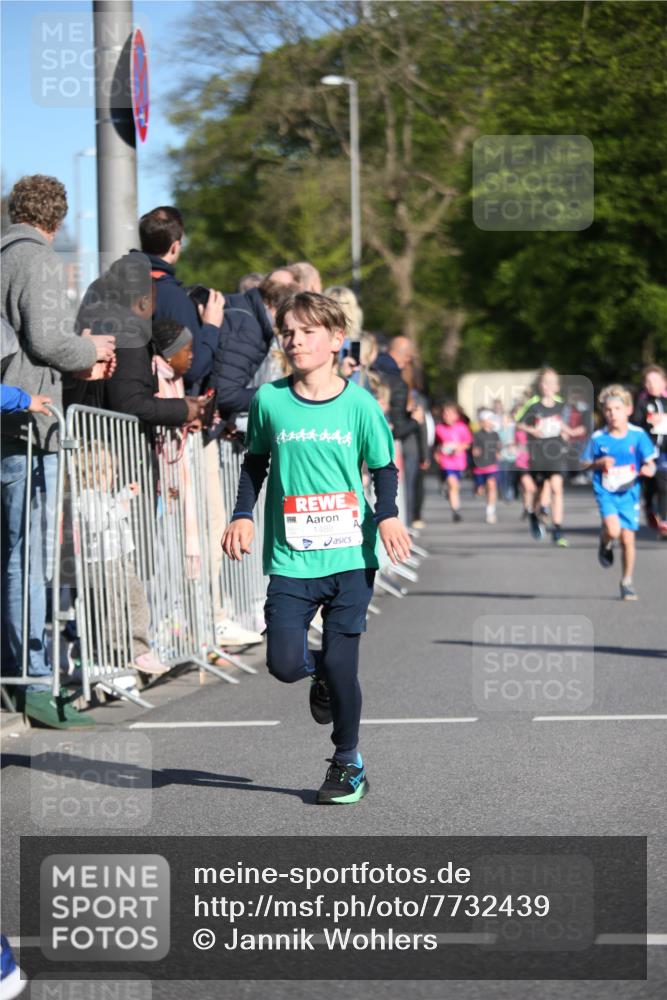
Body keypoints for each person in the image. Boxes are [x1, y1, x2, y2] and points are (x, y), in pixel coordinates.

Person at [221, 292, 411, 804]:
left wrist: (388, 515)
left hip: (350, 556)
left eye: (307, 332)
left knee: (344, 664)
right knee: (284, 662)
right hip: (292, 557)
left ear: (335, 339)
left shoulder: (359, 404)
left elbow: (384, 468)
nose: (295, 341)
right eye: (288, 332)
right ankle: (318, 675)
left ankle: (348, 763)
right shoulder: (270, 400)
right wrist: (242, 514)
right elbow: (255, 463)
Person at [1, 174, 115, 727]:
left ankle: (19, 674)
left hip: (12, 419)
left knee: (14, 553)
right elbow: (46, 339)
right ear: (57, 218)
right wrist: (89, 349)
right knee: (29, 556)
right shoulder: (38, 259)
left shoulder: (3, 255)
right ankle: (32, 678)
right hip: (29, 426)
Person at [76, 445, 169, 676]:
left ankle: (139, 649)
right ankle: (118, 654)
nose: (115, 475)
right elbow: (97, 523)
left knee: (136, 600)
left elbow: (109, 509)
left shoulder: (101, 495)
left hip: (118, 558)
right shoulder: (85, 497)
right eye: (110, 470)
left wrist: (123, 496)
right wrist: (120, 508)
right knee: (113, 610)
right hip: (102, 563)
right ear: (95, 472)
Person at [136, 206, 225, 393]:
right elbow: (192, 369)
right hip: (160, 402)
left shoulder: (114, 286)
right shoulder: (173, 299)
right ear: (175, 246)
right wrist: (211, 327)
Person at [582, 385, 656, 600]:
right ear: (603, 413)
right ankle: (605, 541)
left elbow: (650, 463)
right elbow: (583, 463)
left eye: (617, 409)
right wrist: (598, 463)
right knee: (614, 531)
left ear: (628, 410)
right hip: (606, 492)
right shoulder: (598, 438)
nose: (612, 413)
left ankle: (627, 581)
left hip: (629, 493)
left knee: (627, 540)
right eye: (608, 410)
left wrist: (648, 470)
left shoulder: (637, 435)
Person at [516, 367, 580, 546]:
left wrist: (569, 432)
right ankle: (535, 512)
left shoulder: (562, 406)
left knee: (557, 487)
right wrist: (532, 430)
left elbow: (567, 425)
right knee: (542, 488)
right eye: (545, 382)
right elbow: (519, 424)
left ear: (557, 386)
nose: (549, 386)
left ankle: (558, 530)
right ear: (540, 385)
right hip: (538, 453)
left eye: (552, 382)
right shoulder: (533, 405)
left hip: (557, 451)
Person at [372, 336, 425, 527]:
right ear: (404, 357)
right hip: (386, 448)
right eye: (408, 356)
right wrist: (415, 421)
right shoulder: (397, 382)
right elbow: (397, 428)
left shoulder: (373, 372)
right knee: (391, 489)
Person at [632, 364, 667, 537]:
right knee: (650, 485)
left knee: (664, 484)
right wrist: (648, 421)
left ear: (664, 382)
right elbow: (635, 423)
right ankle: (649, 508)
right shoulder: (642, 402)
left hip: (664, 452)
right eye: (648, 382)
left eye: (656, 381)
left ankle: (665, 521)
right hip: (647, 452)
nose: (652, 385)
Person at [434, 401, 472, 522]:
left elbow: (468, 443)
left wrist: (459, 447)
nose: (447, 416)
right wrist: (437, 454)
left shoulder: (462, 427)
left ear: (456, 415)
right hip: (446, 461)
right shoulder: (439, 428)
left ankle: (451, 496)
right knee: (453, 484)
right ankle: (456, 511)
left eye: (450, 414)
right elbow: (435, 445)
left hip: (459, 462)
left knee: (455, 487)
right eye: (445, 414)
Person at [472, 409, 500, 524]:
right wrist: (475, 452)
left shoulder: (495, 434)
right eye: (487, 420)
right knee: (480, 491)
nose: (490, 422)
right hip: (479, 466)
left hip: (492, 465)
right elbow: (473, 449)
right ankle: (478, 488)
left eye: (491, 420)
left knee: (492, 485)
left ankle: (490, 512)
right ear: (482, 422)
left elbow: (498, 447)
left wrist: (498, 452)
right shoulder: (477, 435)